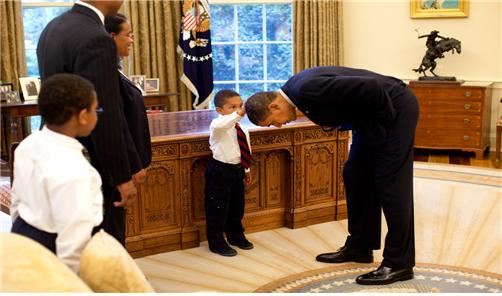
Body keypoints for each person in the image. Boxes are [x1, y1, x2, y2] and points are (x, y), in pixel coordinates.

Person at [245, 66, 419, 285]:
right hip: (371, 116)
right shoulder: (297, 92)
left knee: (391, 184)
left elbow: (373, 87)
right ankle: (359, 246)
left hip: (394, 109)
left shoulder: (307, 89)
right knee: (355, 174)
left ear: (274, 105)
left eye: (272, 121)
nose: (278, 125)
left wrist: (386, 128)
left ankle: (399, 263)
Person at [37, 0, 139, 245]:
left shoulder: (52, 27)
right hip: (92, 161)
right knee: (103, 245)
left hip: (56, 151)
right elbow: (104, 113)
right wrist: (121, 176)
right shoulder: (97, 37)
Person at [10, 73, 103, 273]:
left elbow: (16, 201)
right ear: (82, 116)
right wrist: (69, 279)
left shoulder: (27, 144)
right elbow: (73, 237)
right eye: (96, 110)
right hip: (54, 249)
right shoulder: (76, 170)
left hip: (24, 232)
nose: (97, 115)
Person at [105, 13, 152, 188]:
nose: (132, 40)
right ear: (112, 36)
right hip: (123, 166)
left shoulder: (115, 69)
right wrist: (132, 164)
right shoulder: (107, 74)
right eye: (128, 35)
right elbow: (117, 124)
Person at [205, 90, 254, 257]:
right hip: (219, 171)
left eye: (239, 106)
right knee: (218, 208)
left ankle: (236, 235)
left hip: (237, 170)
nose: (237, 110)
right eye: (231, 107)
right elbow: (224, 124)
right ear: (219, 110)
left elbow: (245, 149)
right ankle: (217, 242)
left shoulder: (242, 128)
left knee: (237, 206)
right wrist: (239, 113)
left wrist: (246, 170)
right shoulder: (217, 126)